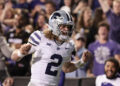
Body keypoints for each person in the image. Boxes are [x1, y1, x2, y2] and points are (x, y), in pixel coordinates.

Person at [11, 10, 91, 86]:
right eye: (63, 26)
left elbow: (67, 68)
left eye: (69, 27)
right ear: (54, 25)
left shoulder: (69, 45)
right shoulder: (40, 37)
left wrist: (82, 61)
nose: (66, 29)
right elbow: (13, 57)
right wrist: (20, 52)